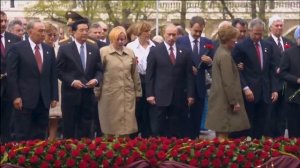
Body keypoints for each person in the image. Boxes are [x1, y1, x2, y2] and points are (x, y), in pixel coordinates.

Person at [6, 20, 58, 141]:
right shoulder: (17, 48)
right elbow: (12, 75)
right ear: (30, 32)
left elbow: (52, 75)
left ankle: (38, 157)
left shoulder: (48, 50)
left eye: (44, 30)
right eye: (40, 31)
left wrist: (54, 96)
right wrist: (15, 96)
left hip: (44, 99)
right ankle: (22, 158)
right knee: (23, 133)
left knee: (40, 133)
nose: (43, 33)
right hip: (24, 100)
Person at [146, 24, 195, 138]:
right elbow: (150, 75)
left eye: (174, 34)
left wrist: (190, 95)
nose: (172, 37)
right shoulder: (155, 51)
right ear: (164, 34)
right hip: (160, 96)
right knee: (158, 128)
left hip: (179, 97)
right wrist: (150, 94)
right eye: (169, 34)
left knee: (177, 128)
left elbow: (189, 75)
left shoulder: (185, 52)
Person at [56, 19, 103, 139]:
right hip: (70, 95)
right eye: (81, 30)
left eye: (86, 30)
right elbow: (59, 71)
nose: (84, 33)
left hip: (88, 95)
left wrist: (96, 80)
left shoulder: (93, 48)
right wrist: (71, 81)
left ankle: (85, 153)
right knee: (69, 128)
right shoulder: (65, 49)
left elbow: (99, 69)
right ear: (73, 32)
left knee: (87, 129)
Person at [232, 18, 278, 139]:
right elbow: (236, 70)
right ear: (250, 31)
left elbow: (271, 69)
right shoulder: (241, 47)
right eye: (255, 33)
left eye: (260, 33)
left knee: (262, 123)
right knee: (249, 123)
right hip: (249, 92)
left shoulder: (268, 46)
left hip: (265, 91)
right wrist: (245, 88)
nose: (258, 36)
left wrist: (274, 89)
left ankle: (259, 148)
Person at [205, 25, 250, 141]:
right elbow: (228, 82)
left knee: (222, 135)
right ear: (229, 39)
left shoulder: (221, 52)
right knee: (223, 137)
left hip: (220, 100)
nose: (236, 40)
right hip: (224, 102)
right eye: (234, 38)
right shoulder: (225, 56)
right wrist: (234, 102)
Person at [98, 26, 142, 137]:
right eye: (118, 39)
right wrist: (96, 92)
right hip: (109, 95)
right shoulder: (103, 52)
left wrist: (138, 92)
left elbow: (134, 74)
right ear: (112, 39)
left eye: (123, 39)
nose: (121, 42)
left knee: (127, 126)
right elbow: (99, 74)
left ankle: (124, 149)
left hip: (127, 94)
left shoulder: (130, 52)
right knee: (110, 127)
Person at [177, 16, 214, 139]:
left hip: (199, 87)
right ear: (190, 28)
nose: (198, 34)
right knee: (182, 119)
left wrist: (209, 62)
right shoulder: (180, 41)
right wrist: (187, 68)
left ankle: (195, 141)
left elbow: (212, 67)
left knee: (196, 119)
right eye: (195, 31)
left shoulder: (207, 43)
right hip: (183, 87)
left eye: (200, 31)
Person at [265, 15, 295, 138]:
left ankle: (281, 141)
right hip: (272, 85)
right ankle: (270, 143)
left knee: (283, 116)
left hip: (287, 84)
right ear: (270, 27)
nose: (279, 28)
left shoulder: (289, 43)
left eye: (281, 25)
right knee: (271, 116)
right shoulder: (266, 43)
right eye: (276, 25)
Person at [127, 21, 156, 138]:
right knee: (136, 110)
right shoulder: (130, 47)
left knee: (148, 111)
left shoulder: (154, 46)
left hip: (151, 80)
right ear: (139, 32)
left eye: (149, 31)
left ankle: (146, 136)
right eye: (145, 31)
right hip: (136, 79)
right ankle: (133, 136)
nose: (148, 33)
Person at [0, 11, 21, 143]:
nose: (3, 24)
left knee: (8, 122)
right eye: (0, 21)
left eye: (5, 21)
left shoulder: (14, 39)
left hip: (10, 88)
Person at [279, 25, 300, 138]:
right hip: (293, 98)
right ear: (297, 38)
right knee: (295, 132)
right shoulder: (288, 53)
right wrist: (296, 80)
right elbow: (282, 73)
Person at [43, 22, 62, 141]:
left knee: (55, 116)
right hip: (44, 85)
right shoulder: (40, 48)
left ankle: (52, 139)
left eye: (54, 35)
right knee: (44, 116)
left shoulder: (59, 48)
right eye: (49, 35)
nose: (52, 38)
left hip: (58, 84)